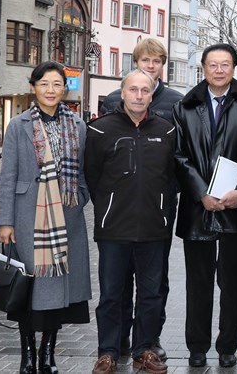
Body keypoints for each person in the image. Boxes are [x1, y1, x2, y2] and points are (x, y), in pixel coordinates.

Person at [0, 62, 92, 374]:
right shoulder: (18, 125)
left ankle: (48, 353)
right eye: (44, 84)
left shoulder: (77, 125)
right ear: (34, 87)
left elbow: (83, 173)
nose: (50, 90)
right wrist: (5, 222)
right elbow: (7, 177)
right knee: (28, 287)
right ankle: (27, 354)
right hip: (27, 218)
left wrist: (79, 197)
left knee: (59, 289)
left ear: (65, 88)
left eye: (56, 84)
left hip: (66, 218)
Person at [172, 44, 237, 368]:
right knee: (198, 284)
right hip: (198, 210)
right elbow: (178, 155)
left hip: (236, 210)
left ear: (234, 68)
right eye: (213, 64)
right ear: (203, 68)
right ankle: (197, 346)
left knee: (234, 284)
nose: (219, 70)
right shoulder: (185, 106)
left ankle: (227, 346)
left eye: (225, 64)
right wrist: (199, 193)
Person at [86, 69, 177, 374]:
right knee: (111, 294)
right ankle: (108, 352)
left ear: (152, 94)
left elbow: (171, 177)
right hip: (114, 229)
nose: (139, 95)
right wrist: (109, 208)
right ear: (122, 93)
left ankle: (144, 350)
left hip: (154, 227)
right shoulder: (100, 130)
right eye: (133, 89)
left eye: (145, 90)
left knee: (151, 294)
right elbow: (93, 176)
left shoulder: (166, 131)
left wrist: (164, 212)